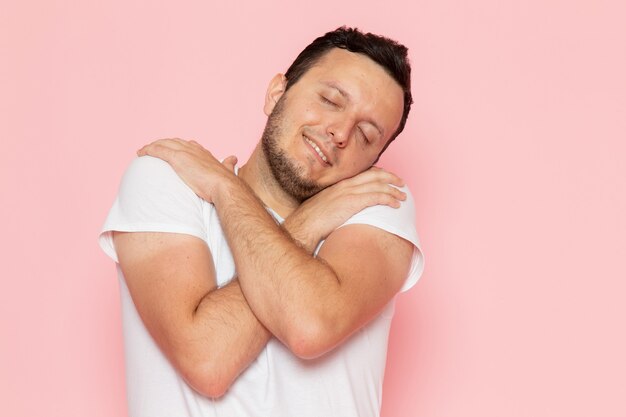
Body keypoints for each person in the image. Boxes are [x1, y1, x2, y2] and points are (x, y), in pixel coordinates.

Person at [99, 26, 424, 417]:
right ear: (276, 94)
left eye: (367, 136)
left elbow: (309, 325)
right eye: (330, 99)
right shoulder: (168, 179)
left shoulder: (379, 206)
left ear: (371, 163)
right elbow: (207, 361)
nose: (340, 132)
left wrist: (224, 188)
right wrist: (309, 221)